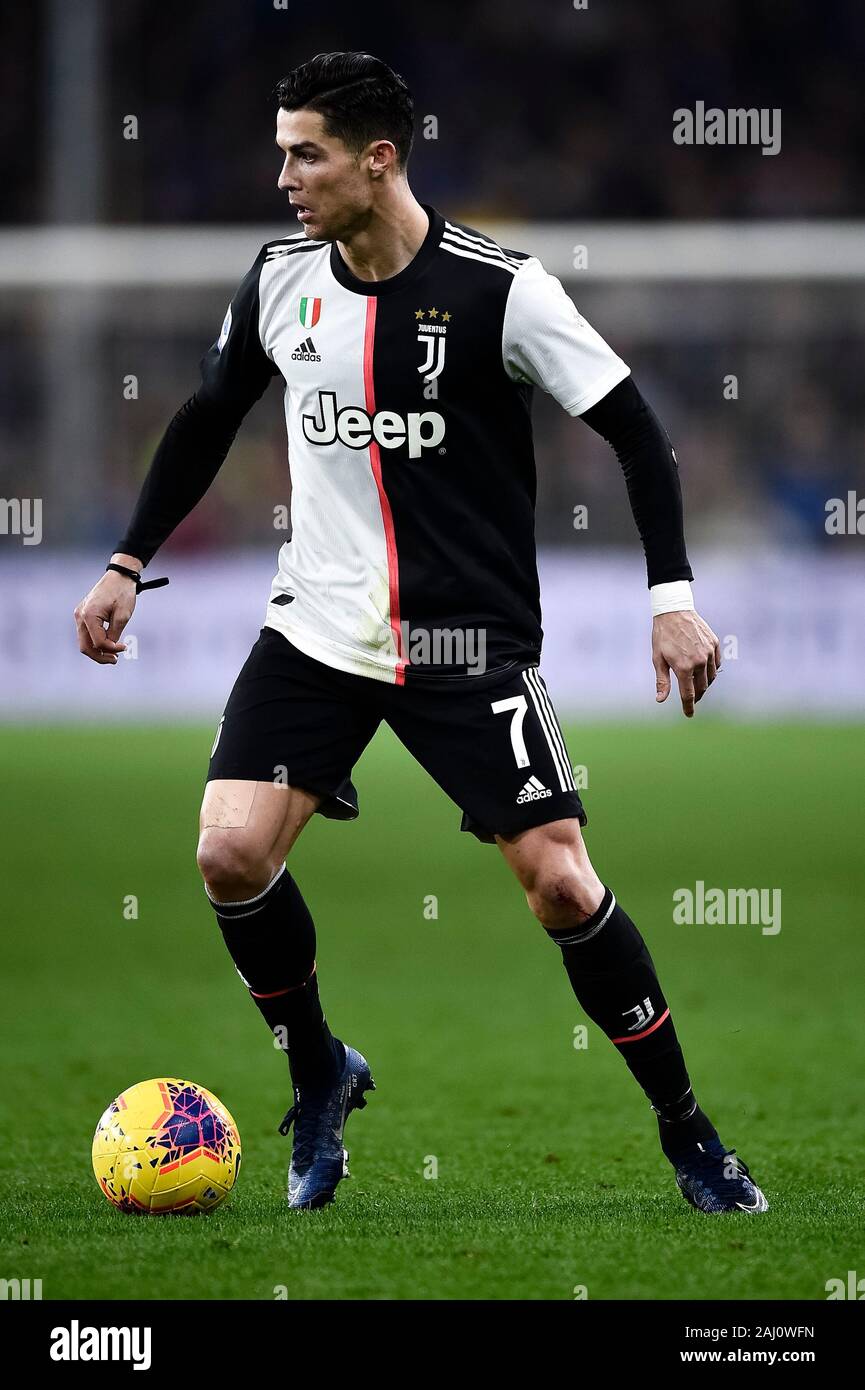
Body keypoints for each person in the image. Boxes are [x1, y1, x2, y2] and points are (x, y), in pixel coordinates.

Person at [74, 51, 766, 1215]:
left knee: (558, 882)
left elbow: (637, 433)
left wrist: (671, 598)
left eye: (307, 153)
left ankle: (690, 1133)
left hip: (463, 643)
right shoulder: (280, 277)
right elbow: (205, 417)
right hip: (316, 629)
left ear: (376, 160)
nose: (283, 174)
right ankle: (318, 1071)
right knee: (229, 855)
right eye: (282, 148)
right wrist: (126, 562)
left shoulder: (504, 290)